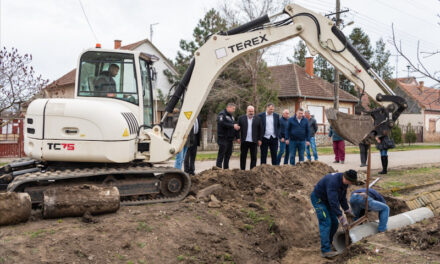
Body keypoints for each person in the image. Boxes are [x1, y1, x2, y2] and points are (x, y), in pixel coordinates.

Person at [310, 170, 358, 258]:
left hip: (328, 200)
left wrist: (347, 210)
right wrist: (341, 217)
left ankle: (328, 243)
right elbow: (334, 202)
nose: (350, 184)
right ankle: (325, 251)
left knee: (335, 223)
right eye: (350, 182)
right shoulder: (333, 182)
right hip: (319, 200)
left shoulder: (345, 183)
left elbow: (342, 198)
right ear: (345, 178)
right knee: (326, 222)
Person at [237, 106, 262, 170]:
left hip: (254, 141)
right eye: (249, 111)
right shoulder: (241, 118)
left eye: (252, 111)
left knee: (254, 157)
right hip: (244, 141)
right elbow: (237, 129)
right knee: (243, 156)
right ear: (246, 111)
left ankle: (252, 170)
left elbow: (260, 130)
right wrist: (238, 137)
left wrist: (259, 139)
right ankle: (242, 170)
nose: (251, 113)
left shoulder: (258, 119)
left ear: (254, 111)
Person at [216, 103, 238, 169]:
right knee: (221, 155)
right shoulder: (222, 114)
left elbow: (233, 126)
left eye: (234, 109)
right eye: (233, 109)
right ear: (228, 107)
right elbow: (221, 123)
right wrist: (232, 126)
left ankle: (226, 169)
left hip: (230, 139)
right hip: (223, 138)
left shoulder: (231, 116)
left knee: (228, 155)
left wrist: (235, 136)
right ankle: (218, 169)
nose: (234, 110)